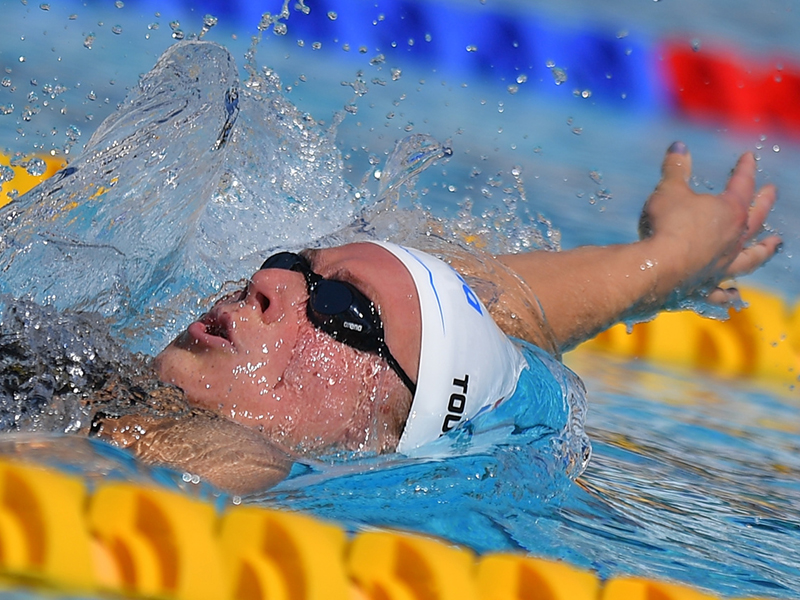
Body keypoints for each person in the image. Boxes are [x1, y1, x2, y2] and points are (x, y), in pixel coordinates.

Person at [90, 141, 780, 494]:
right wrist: (670, 258)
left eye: (340, 308)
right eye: (293, 264)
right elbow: (505, 317)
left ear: (387, 435)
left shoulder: (230, 468)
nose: (267, 282)